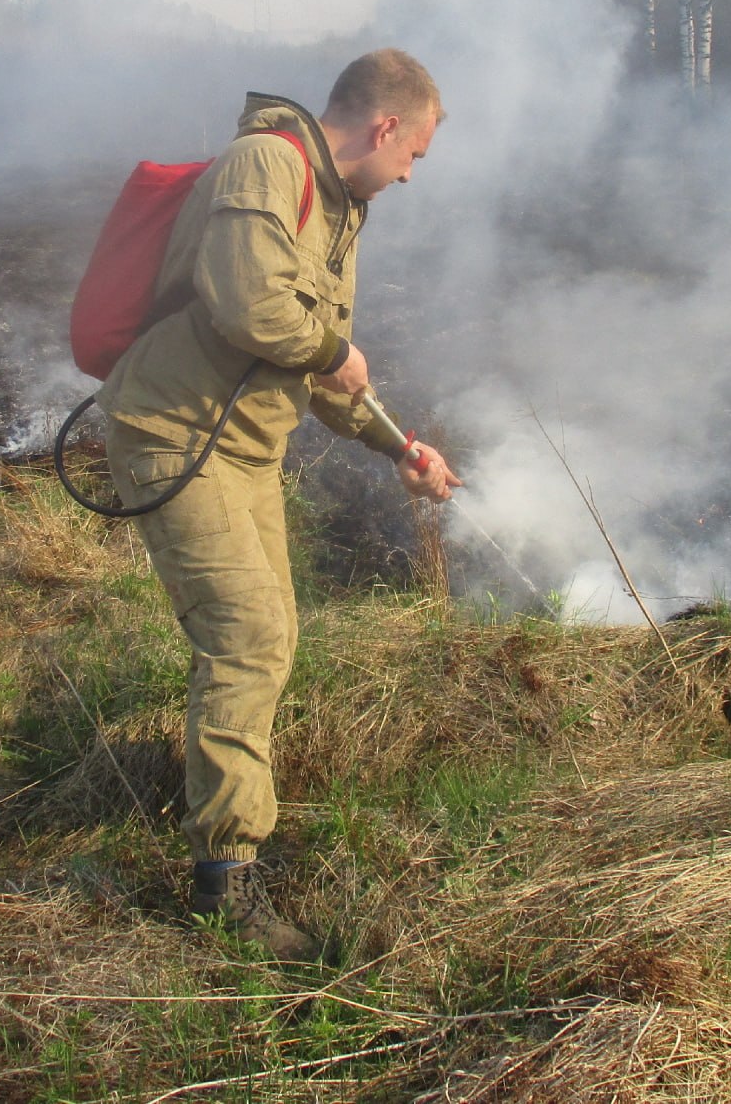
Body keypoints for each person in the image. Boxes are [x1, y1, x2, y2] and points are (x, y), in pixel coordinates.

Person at [97, 48, 461, 960]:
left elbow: (320, 362)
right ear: (383, 127)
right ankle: (225, 882)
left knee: (270, 636)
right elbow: (252, 305)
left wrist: (400, 447)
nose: (411, 174)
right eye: (413, 153)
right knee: (248, 636)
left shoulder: (339, 208)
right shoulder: (268, 163)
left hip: (245, 451)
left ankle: (236, 830)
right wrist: (335, 352)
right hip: (175, 434)